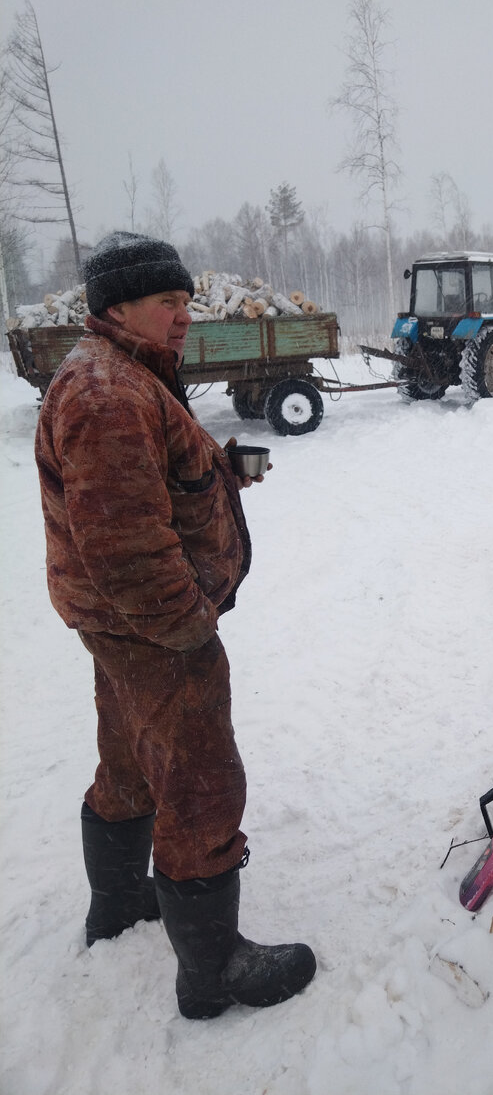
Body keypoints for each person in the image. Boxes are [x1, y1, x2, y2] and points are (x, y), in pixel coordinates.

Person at [35, 231, 316, 1019]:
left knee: (128, 762)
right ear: (117, 306)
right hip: (156, 630)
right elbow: (125, 543)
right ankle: (213, 970)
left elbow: (135, 496)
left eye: (188, 300)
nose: (185, 314)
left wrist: (211, 476)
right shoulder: (106, 394)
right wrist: (189, 626)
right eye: (169, 301)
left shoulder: (118, 375)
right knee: (199, 784)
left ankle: (120, 904)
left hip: (122, 629)